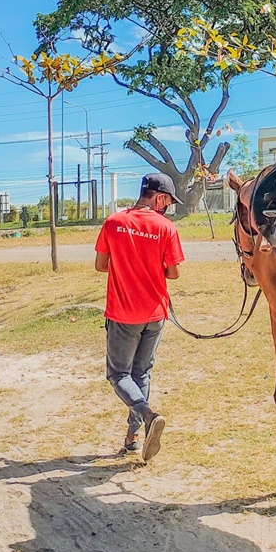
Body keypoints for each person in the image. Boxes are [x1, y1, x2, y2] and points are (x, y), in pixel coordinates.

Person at [94, 172, 185, 462]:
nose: (168, 207)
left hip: (123, 313)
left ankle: (148, 415)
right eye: (168, 201)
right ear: (159, 198)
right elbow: (174, 272)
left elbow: (100, 265)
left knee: (118, 375)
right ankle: (133, 437)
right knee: (141, 373)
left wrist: (126, 265)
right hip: (155, 314)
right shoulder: (166, 227)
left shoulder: (113, 222)